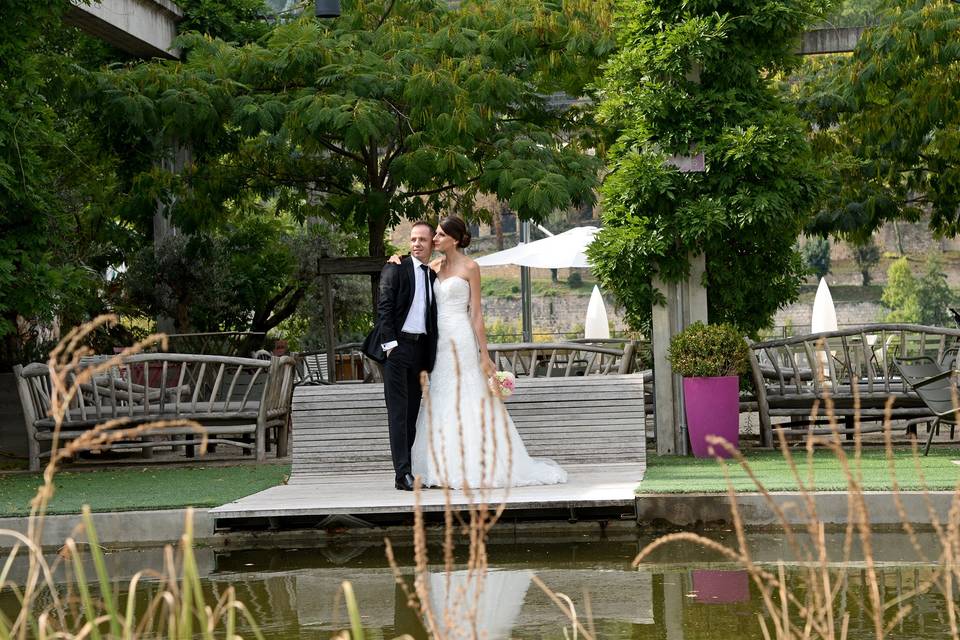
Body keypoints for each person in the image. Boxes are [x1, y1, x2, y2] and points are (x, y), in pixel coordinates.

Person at [391, 216, 566, 489]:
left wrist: (484, 354)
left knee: (468, 395)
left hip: (461, 337)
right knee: (440, 396)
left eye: (439, 235)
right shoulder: (433, 267)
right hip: (437, 341)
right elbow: (411, 272)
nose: (434, 239)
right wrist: (396, 259)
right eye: (433, 234)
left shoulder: (471, 267)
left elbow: (476, 314)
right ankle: (439, 465)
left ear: (455, 239)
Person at [363, 222, 439, 491]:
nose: (416, 244)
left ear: (432, 244)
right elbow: (384, 306)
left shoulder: (432, 276)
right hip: (397, 349)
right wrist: (390, 345)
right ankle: (402, 474)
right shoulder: (395, 268)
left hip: (420, 352)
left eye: (422, 240)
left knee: (411, 415)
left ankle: (407, 471)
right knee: (397, 413)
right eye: (413, 239)